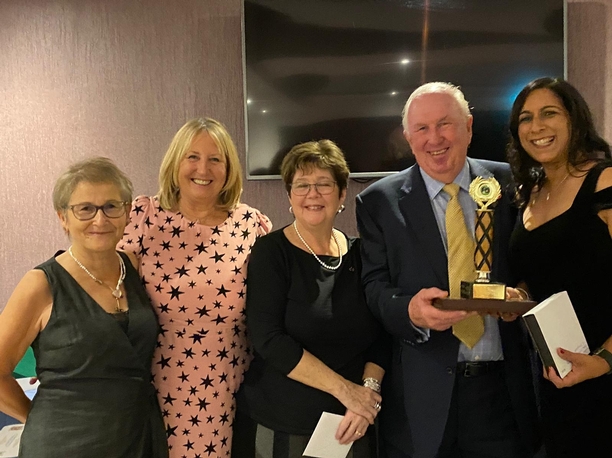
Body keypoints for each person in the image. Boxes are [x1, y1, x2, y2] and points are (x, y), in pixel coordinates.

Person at [356, 82, 540, 458]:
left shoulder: (512, 184)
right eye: (421, 129)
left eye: (445, 124)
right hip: (422, 398)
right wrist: (409, 309)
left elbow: (537, 264)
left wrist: (520, 297)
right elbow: (373, 287)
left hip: (501, 394)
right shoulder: (377, 201)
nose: (434, 138)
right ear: (408, 138)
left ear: (469, 127)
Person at [119, 117, 272, 458]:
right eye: (192, 157)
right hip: (152, 385)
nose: (203, 168)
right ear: (175, 163)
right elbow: (107, 292)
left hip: (229, 386)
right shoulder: (144, 217)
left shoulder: (250, 225)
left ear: (228, 169)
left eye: (215, 159)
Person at [0, 157, 168, 457]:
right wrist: (38, 417)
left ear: (128, 212)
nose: (100, 220)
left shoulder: (134, 266)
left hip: (137, 435)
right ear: (63, 216)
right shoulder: (40, 284)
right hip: (65, 443)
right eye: (85, 209)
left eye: (111, 206)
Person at [233, 140, 389, 458]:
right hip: (285, 424)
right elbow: (269, 339)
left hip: (354, 423)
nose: (312, 194)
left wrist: (367, 397)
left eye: (323, 184)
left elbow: (383, 334)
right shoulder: (271, 252)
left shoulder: (363, 254)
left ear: (342, 194)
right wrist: (348, 392)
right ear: (290, 195)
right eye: (302, 185)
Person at [507, 77, 612, 458]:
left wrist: (603, 361)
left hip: (603, 373)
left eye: (549, 114)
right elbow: (546, 275)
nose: (537, 127)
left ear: (574, 120)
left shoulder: (605, 181)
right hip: (557, 378)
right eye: (525, 118)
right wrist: (517, 298)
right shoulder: (529, 194)